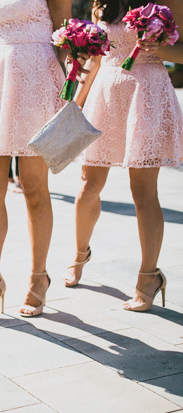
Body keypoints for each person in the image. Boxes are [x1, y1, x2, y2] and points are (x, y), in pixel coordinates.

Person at [66, 0, 183, 312]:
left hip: (147, 93)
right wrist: (74, 102)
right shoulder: (102, 4)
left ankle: (149, 277)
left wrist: (157, 46)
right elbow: (95, 56)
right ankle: (79, 254)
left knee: (143, 191)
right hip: (105, 93)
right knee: (88, 185)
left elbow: (181, 52)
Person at [0, 0, 73, 322]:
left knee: (34, 187)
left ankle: (39, 277)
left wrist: (71, 83)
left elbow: (63, 39)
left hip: (38, 82)